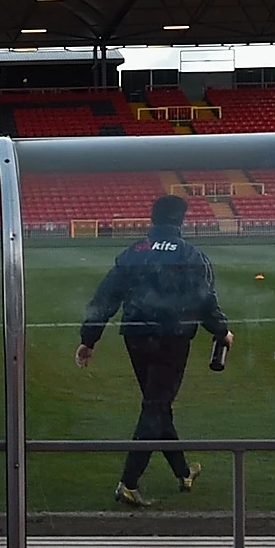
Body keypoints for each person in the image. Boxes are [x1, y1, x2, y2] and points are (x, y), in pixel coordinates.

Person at [76, 195, 231, 508]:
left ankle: (183, 471)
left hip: (135, 335)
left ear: (153, 219)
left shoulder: (135, 251)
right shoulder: (190, 254)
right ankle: (129, 483)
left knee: (157, 404)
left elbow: (105, 296)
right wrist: (221, 331)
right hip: (171, 337)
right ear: (180, 221)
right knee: (156, 405)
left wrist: (89, 338)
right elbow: (205, 300)